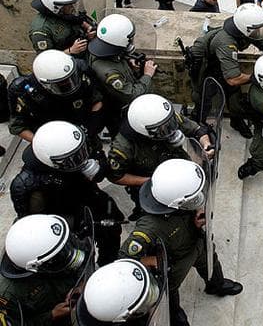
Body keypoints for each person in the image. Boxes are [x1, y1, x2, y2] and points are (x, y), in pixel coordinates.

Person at [120, 159, 242, 326]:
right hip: (176, 262)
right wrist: (152, 261)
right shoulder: (149, 227)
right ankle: (174, 314)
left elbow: (193, 202)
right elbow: (124, 258)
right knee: (171, 295)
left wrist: (197, 216)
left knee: (210, 263)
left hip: (197, 243)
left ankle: (216, 284)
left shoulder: (176, 194)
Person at [11, 121, 123, 266]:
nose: (83, 158)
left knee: (112, 226)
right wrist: (77, 223)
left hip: (90, 197)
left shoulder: (77, 142)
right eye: (76, 158)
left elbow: (99, 158)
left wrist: (98, 168)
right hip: (64, 221)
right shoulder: (26, 185)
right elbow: (32, 224)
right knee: (78, 257)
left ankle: (108, 264)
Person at [188, 3, 263, 139]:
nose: (259, 31)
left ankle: (236, 121)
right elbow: (233, 79)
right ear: (246, 29)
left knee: (235, 98)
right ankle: (198, 126)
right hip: (205, 68)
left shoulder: (247, 30)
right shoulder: (226, 42)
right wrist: (255, 77)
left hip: (224, 66)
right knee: (203, 98)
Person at [107, 93, 212, 220]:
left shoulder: (165, 119)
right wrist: (151, 181)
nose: (171, 129)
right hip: (149, 185)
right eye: (164, 129)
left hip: (180, 170)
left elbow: (196, 129)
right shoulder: (123, 147)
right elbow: (115, 176)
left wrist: (206, 144)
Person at [0, 214, 87, 325]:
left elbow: (82, 254)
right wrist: (52, 315)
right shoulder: (7, 294)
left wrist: (81, 284)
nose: (67, 253)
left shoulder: (51, 238)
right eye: (57, 258)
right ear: (35, 267)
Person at [88, 14, 158, 125]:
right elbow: (132, 95)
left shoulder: (102, 47)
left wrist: (129, 62)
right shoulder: (110, 75)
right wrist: (147, 75)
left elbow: (115, 58)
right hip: (121, 113)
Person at [28, 0, 95, 56]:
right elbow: (46, 58)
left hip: (82, 48)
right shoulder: (41, 31)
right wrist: (71, 50)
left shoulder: (62, 13)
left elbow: (75, 21)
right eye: (69, 6)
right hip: (65, 61)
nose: (72, 8)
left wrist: (87, 31)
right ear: (57, 7)